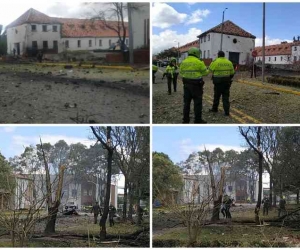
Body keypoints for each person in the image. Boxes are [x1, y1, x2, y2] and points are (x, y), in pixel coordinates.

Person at [179, 47, 209, 124]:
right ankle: (197, 120)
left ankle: (185, 120)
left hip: (186, 85)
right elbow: (205, 73)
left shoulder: (183, 62)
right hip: (196, 85)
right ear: (196, 53)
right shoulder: (199, 62)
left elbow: (181, 73)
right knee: (197, 103)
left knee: (186, 103)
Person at [208, 51, 235, 116]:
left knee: (216, 96)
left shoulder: (215, 62)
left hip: (218, 83)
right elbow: (232, 73)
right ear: (224, 55)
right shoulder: (229, 62)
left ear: (218, 55)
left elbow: (210, 70)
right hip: (226, 82)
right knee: (225, 97)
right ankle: (227, 112)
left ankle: (215, 109)